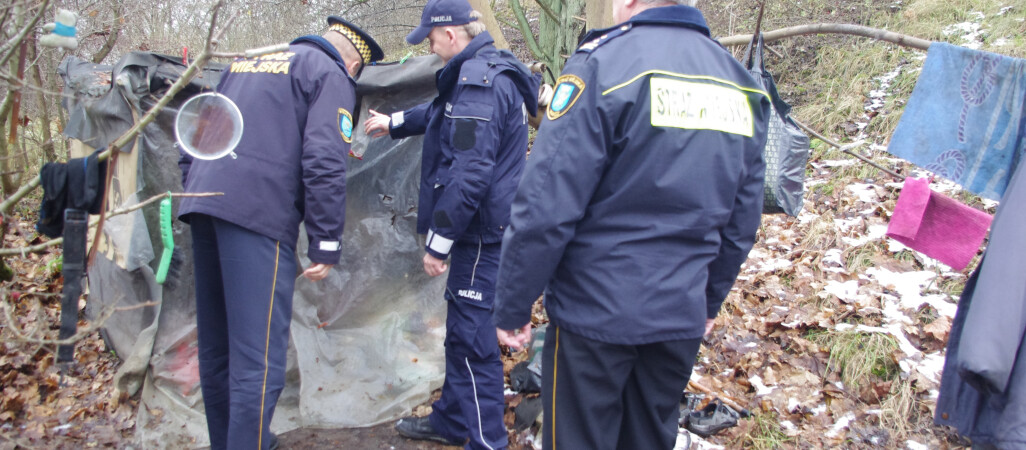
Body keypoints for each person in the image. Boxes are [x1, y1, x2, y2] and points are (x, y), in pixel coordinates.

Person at [491, 0, 771, 449]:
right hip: (679, 309)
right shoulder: (739, 82)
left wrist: (512, 304)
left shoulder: (603, 65)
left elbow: (546, 202)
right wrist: (707, 301)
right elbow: (742, 220)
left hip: (595, 313)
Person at [177, 15, 383, 450]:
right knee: (258, 358)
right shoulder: (329, 74)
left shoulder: (247, 62)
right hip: (258, 217)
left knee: (218, 348)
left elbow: (197, 128)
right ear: (353, 65)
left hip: (204, 203)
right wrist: (326, 240)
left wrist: (195, 186)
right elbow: (326, 159)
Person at [364, 0, 538, 448]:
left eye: (429, 37)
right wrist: (395, 122)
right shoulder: (486, 69)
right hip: (486, 230)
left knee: (473, 342)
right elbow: (446, 114)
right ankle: (452, 421)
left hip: (480, 233)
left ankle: (486, 440)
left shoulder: (478, 81)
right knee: (461, 332)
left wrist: (438, 242)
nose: (428, 44)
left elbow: (470, 174)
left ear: (451, 34)